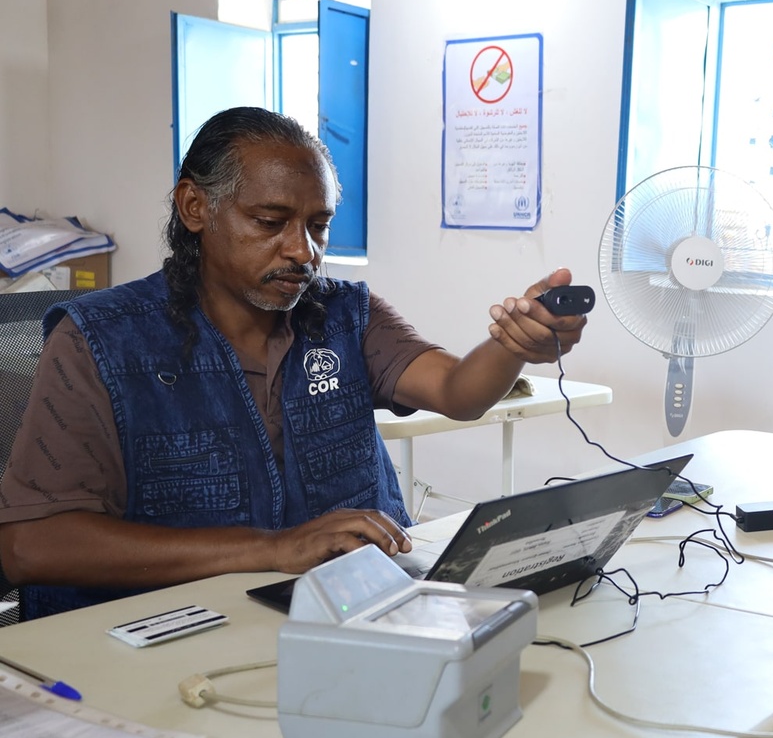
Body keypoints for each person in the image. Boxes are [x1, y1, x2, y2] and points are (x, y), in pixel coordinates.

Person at [0, 107, 588, 619]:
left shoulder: (344, 314)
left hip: (339, 619)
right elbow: (30, 545)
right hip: (182, 644)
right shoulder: (101, 341)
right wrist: (271, 549)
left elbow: (460, 392)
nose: (302, 251)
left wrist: (516, 345)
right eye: (270, 221)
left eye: (319, 226)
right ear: (195, 207)